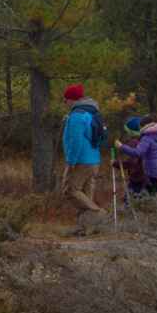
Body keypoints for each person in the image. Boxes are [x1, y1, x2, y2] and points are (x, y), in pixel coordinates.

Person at [60, 84, 106, 220]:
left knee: (70, 190)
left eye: (65, 100)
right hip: (94, 160)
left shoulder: (76, 117)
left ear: (72, 100)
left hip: (80, 161)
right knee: (86, 195)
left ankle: (100, 214)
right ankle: (87, 226)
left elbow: (76, 141)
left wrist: (71, 160)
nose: (65, 103)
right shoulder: (90, 113)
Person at [119, 114, 157, 196]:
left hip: (153, 174)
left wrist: (122, 146)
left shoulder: (147, 137)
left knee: (150, 198)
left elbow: (137, 152)